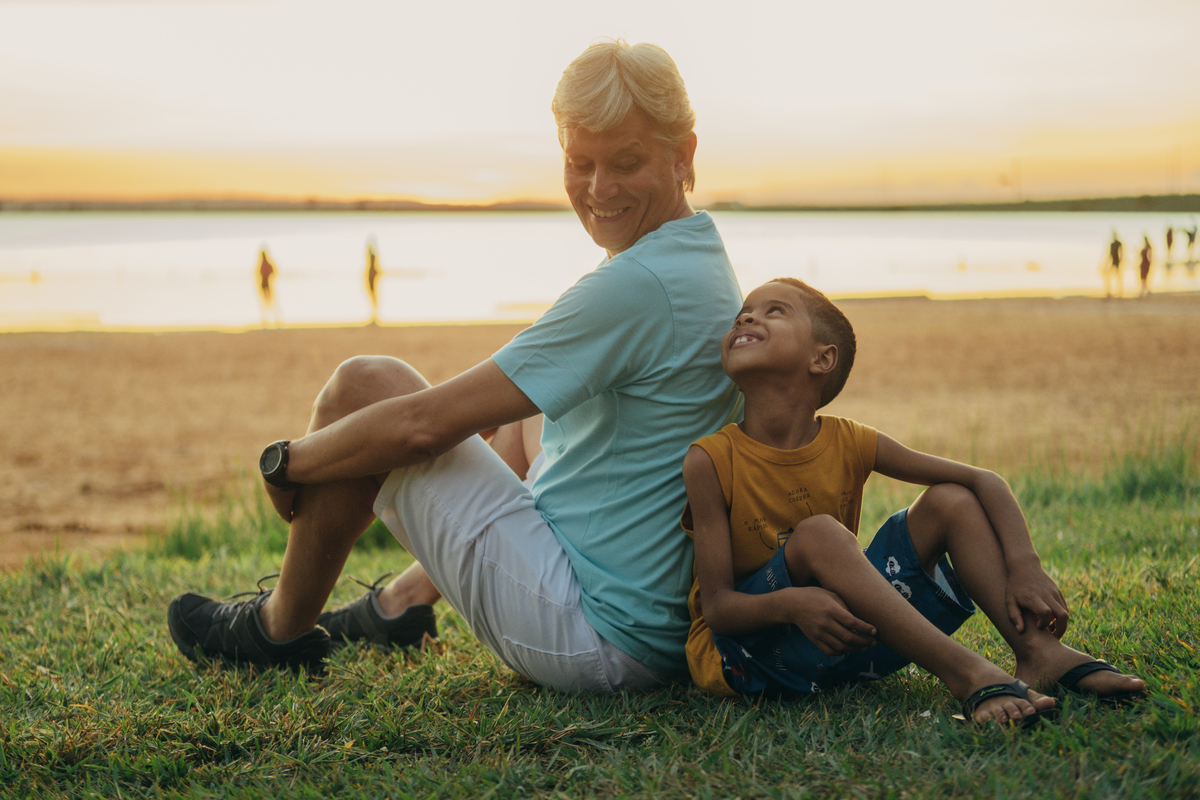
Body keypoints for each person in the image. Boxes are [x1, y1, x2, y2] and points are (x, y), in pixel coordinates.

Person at [167, 40, 744, 693]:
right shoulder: (694, 252)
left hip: (600, 634)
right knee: (527, 411)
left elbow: (421, 426)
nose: (598, 189)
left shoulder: (639, 284)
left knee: (364, 387)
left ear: (684, 155)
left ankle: (276, 630)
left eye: (626, 162)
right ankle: (401, 606)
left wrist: (288, 462)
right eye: (579, 162)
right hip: (652, 616)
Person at [681, 278, 1145, 724]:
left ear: (821, 359)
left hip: (842, 641)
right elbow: (718, 608)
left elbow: (983, 481)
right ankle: (967, 673)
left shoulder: (849, 440)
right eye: (742, 314)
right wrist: (792, 604)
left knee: (950, 501)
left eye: (773, 311)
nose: (746, 319)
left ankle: (1039, 653)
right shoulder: (711, 460)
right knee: (821, 532)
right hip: (745, 657)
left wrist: (1025, 565)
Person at [256, 246, 280, 326]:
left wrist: (269, 278)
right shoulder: (263, 264)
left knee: (271, 302)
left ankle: (274, 319)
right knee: (266, 303)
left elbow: (273, 271)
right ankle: (266, 319)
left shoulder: (264, 264)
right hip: (265, 284)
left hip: (266, 284)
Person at [365, 239, 381, 324]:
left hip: (372, 277)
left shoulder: (372, 256)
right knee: (373, 297)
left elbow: (374, 268)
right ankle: (374, 314)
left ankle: (375, 314)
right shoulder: (371, 255)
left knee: (374, 297)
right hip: (370, 277)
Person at [1105, 231, 1123, 298]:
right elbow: (1110, 254)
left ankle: (1119, 291)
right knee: (1109, 276)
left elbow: (1121, 253)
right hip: (1113, 261)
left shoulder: (1118, 243)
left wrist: (1120, 261)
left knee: (1118, 277)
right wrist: (1107, 263)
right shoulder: (1112, 244)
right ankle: (1109, 291)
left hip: (1117, 261)